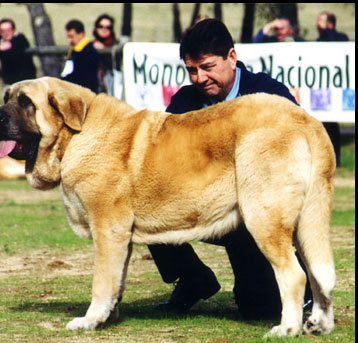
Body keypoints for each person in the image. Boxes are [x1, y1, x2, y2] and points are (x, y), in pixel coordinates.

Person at [149, 18, 312, 319]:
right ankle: (193, 279)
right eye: (192, 70)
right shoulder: (185, 101)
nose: (199, 78)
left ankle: (302, 284)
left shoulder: (268, 95)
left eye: (207, 66)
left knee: (257, 308)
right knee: (144, 200)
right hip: (206, 207)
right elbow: (159, 154)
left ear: (232, 58)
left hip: (258, 211)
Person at [316, 11, 349, 167]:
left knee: (332, 124)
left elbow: (335, 44)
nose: (317, 24)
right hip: (321, 88)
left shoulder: (340, 37)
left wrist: (327, 29)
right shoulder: (318, 41)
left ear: (330, 23)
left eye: (321, 21)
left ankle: (337, 158)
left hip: (336, 87)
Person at [0, 18, 36, 86]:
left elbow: (17, 53)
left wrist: (9, 47)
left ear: (13, 30)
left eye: (8, 30)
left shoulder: (20, 39)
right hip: (9, 82)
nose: (6, 33)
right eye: (3, 31)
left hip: (26, 81)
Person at [61, 19, 98, 92]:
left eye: (72, 37)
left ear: (81, 34)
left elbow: (84, 78)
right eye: (68, 37)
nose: (69, 41)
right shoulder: (75, 50)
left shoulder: (87, 51)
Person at [92, 14, 119, 95]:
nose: (104, 29)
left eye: (108, 27)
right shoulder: (90, 45)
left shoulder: (116, 46)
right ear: (96, 28)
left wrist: (103, 50)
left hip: (111, 86)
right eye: (101, 26)